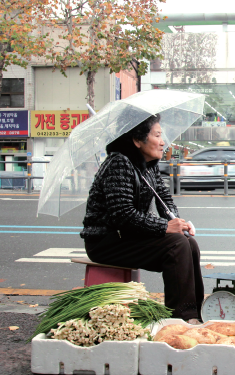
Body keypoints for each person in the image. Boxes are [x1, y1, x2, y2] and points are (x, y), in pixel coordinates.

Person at [80, 114, 204, 322]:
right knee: (176, 245)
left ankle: (195, 312)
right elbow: (122, 215)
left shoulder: (148, 165)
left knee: (188, 242)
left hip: (129, 236)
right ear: (137, 140)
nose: (163, 141)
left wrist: (177, 222)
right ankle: (180, 318)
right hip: (106, 241)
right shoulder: (118, 163)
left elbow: (165, 199)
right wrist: (165, 226)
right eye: (157, 135)